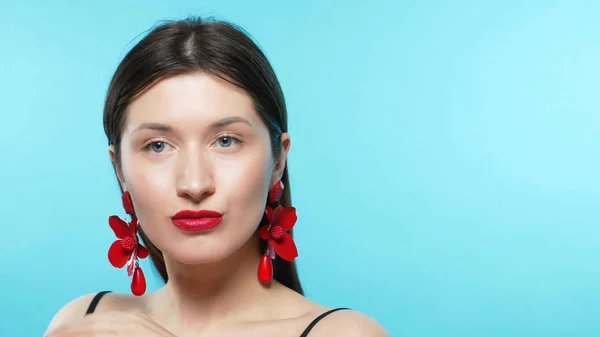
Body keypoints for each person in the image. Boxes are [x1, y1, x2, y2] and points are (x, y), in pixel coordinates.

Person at [44, 17, 389, 337]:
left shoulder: (342, 333)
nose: (194, 185)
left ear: (278, 159)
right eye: (158, 146)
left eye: (226, 141)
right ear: (119, 169)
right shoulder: (82, 321)